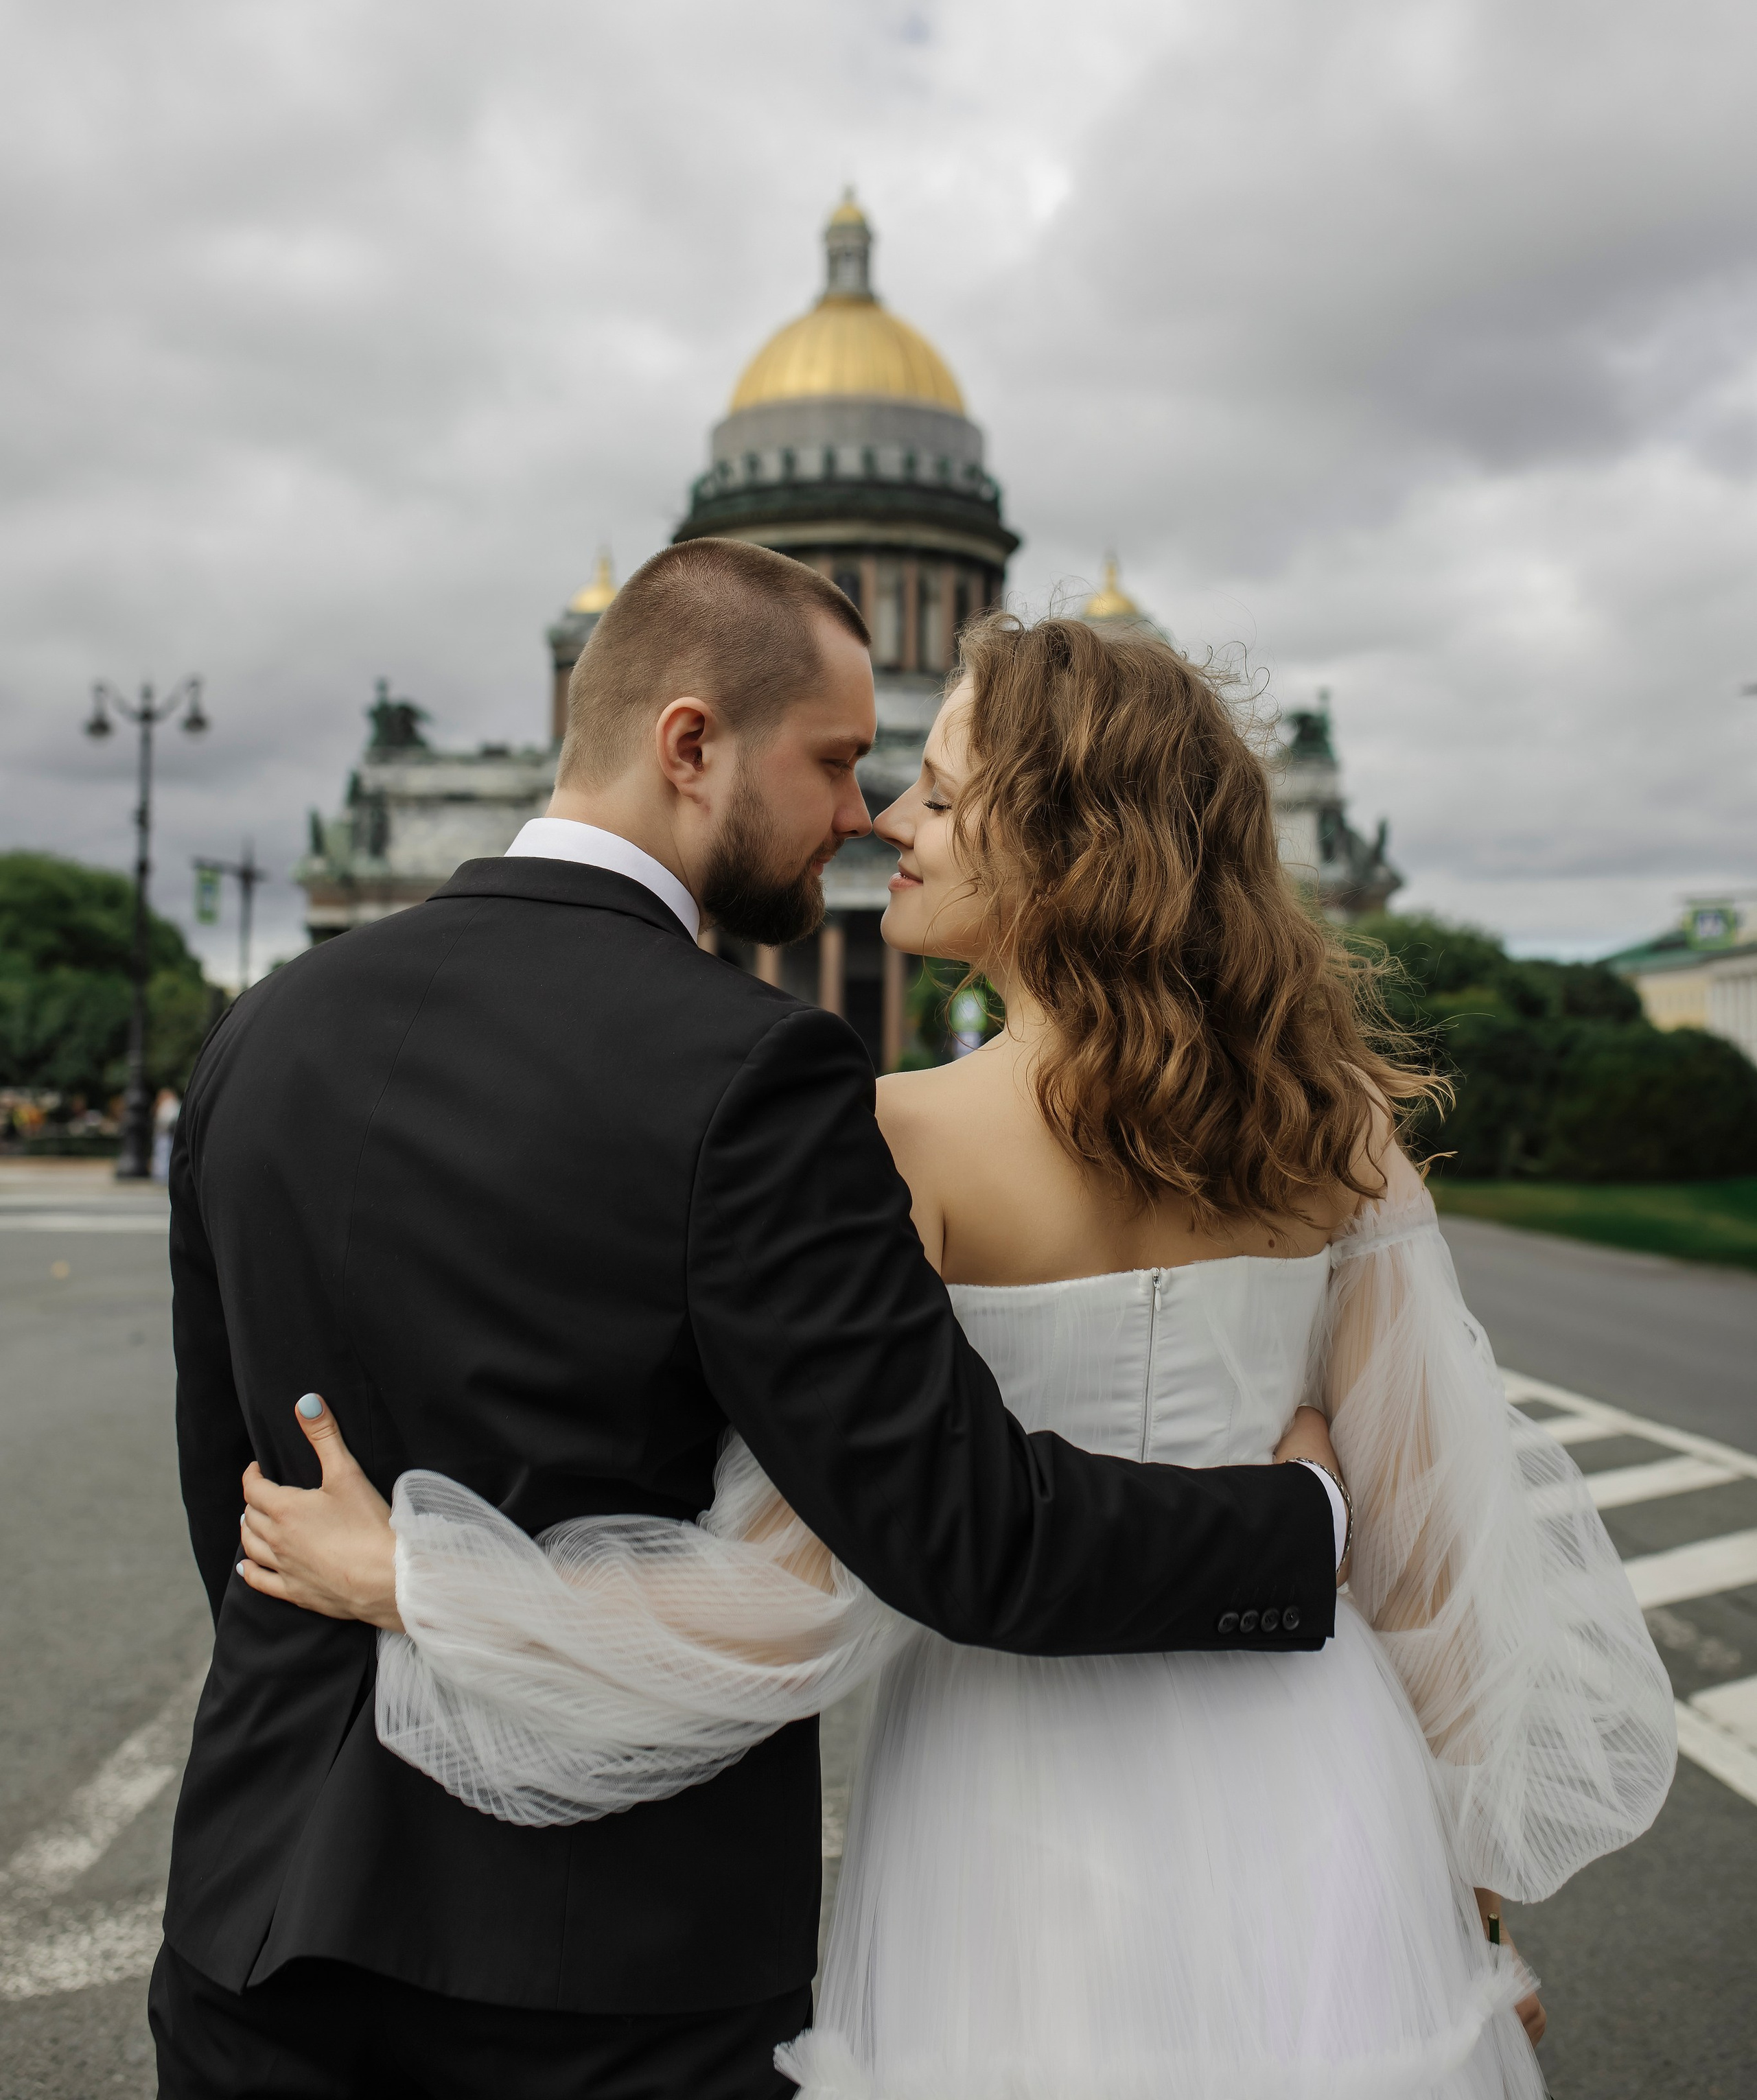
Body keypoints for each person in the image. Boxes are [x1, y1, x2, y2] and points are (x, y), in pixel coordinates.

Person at [240, 613, 1677, 2098]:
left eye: (935, 791)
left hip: (1008, 1797)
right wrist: (1468, 1908)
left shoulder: (896, 1138)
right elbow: (1431, 1571)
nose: (886, 823)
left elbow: (793, 1598)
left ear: (1061, 843)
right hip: (1324, 1769)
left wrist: (421, 1580)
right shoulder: (1338, 1128)